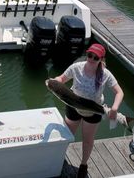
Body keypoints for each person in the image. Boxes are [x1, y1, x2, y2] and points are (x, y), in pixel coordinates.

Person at [48, 43, 124, 178]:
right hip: (73, 105)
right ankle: (61, 159)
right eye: (90, 55)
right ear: (87, 54)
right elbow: (62, 79)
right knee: (66, 136)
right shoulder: (76, 67)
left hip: (93, 111)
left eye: (96, 57)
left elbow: (119, 92)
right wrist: (55, 81)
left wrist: (115, 107)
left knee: (88, 140)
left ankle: (83, 165)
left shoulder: (105, 74)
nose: (92, 59)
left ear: (101, 59)